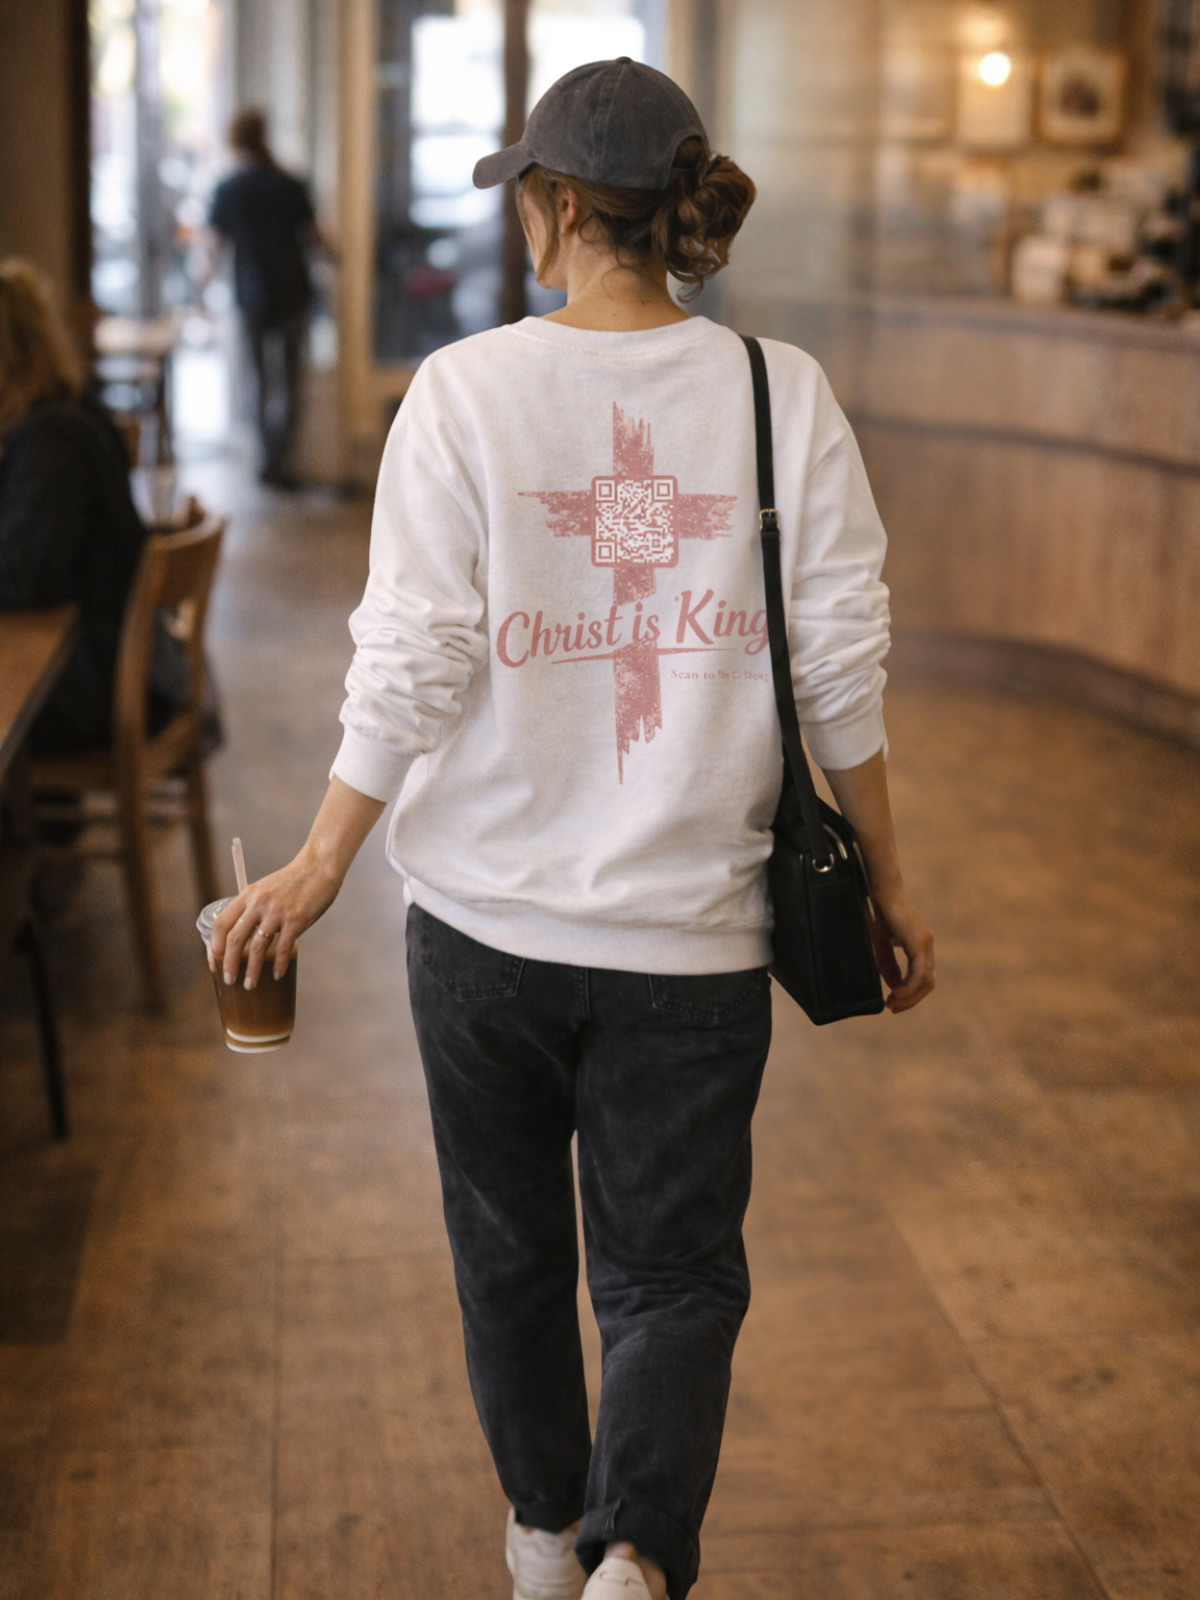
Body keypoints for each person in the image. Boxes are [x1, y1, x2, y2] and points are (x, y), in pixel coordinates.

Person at [211, 59, 935, 1600]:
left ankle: (546, 1540)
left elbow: (410, 659)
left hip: (483, 935)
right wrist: (891, 877)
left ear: (548, 210)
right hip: (694, 936)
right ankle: (639, 1560)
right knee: (673, 1277)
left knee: (512, 1260)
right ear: (675, 213)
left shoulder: (466, 396)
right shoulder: (777, 392)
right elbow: (845, 669)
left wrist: (322, 859)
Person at [0, 260, 148, 754]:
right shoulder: (70, 409)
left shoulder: (51, 442)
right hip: (104, 659)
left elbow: (29, 577)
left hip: (89, 680)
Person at [208, 109, 319, 487]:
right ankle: (280, 460)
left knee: (257, 380)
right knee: (288, 382)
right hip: (292, 291)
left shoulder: (229, 189)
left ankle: (263, 457)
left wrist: (200, 294)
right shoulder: (290, 184)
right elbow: (315, 236)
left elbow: (214, 247)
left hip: (251, 294)